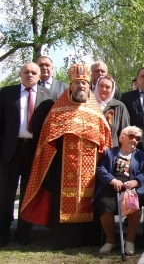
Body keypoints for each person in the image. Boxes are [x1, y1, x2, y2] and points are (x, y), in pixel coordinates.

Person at [20, 63, 112, 249]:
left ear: (89, 87)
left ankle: (90, 238)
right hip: (63, 168)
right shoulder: (57, 111)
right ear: (70, 86)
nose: (81, 87)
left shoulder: (96, 114)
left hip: (91, 171)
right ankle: (64, 240)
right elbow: (47, 139)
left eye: (84, 83)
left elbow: (106, 142)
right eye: (77, 83)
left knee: (90, 200)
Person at [0, 62, 57, 247]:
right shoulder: (6, 94)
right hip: (10, 150)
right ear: (20, 74)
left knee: (28, 191)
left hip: (34, 150)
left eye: (34, 72)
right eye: (26, 72)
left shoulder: (49, 97)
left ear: (40, 76)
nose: (30, 75)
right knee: (6, 192)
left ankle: (24, 232)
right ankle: (3, 231)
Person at [93, 126, 144, 255]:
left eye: (137, 138)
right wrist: (111, 180)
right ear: (121, 138)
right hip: (112, 187)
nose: (134, 140)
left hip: (131, 188)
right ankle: (110, 240)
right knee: (105, 204)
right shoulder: (109, 153)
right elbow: (101, 169)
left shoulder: (142, 156)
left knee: (135, 205)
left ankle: (130, 241)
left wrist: (136, 181)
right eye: (131, 136)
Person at [94, 75, 130, 147]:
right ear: (97, 87)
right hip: (91, 151)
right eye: (101, 86)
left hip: (111, 153)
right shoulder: (89, 104)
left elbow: (125, 133)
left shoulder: (119, 106)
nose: (104, 89)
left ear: (112, 89)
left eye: (107, 87)